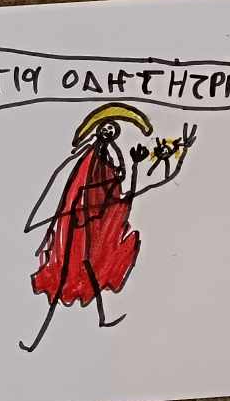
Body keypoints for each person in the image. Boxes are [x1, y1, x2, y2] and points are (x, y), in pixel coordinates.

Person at [21, 102, 196, 351]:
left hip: (96, 217)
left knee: (90, 263)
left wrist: (129, 169)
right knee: (76, 263)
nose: (108, 133)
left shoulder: (110, 154)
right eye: (106, 129)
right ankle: (44, 332)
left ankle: (99, 317)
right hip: (80, 218)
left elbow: (117, 177)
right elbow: (81, 185)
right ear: (99, 130)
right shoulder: (89, 154)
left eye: (112, 131)